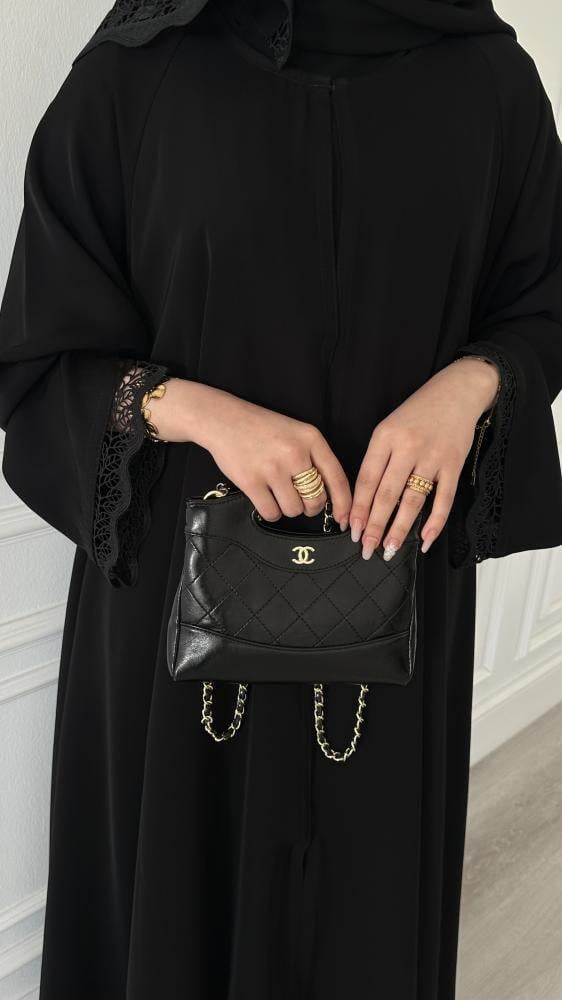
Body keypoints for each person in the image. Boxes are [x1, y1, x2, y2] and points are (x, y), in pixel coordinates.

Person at [1, 0, 562, 997]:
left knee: (364, 911)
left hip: (389, 591)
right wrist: (200, 411)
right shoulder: (139, 73)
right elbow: (40, 357)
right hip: (175, 617)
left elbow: (543, 302)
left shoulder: (488, 84)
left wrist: (469, 386)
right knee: (170, 912)